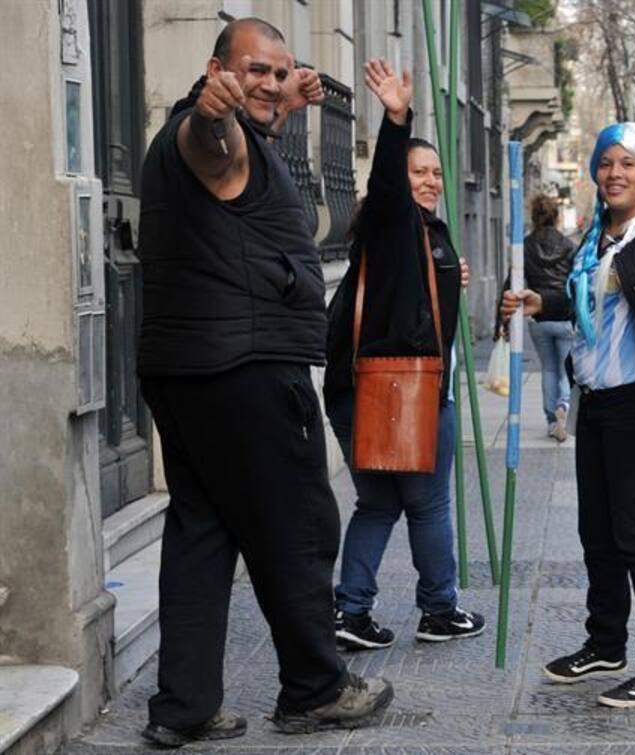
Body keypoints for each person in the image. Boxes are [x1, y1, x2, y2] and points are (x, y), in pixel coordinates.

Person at [136, 18, 392, 747]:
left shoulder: (236, 136)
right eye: (257, 70)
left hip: (183, 368)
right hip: (247, 369)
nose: (273, 83)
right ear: (218, 70)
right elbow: (211, 150)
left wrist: (282, 109)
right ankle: (314, 688)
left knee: (201, 533)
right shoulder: (208, 134)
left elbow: (236, 175)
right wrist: (218, 115)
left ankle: (183, 705)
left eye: (283, 71)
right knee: (299, 528)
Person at [501, 123, 635, 708]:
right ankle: (605, 644)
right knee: (596, 533)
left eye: (628, 164)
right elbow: (594, 297)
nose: (615, 173)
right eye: (606, 164)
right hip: (594, 399)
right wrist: (542, 300)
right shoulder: (600, 234)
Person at [323, 58, 485, 651]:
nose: (431, 181)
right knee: (428, 502)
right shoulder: (394, 219)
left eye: (437, 173)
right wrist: (396, 119)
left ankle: (351, 613)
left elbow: (413, 295)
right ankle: (438, 609)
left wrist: (446, 276)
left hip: (363, 386)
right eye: (420, 171)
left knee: (377, 503)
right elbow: (389, 189)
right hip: (400, 387)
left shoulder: (424, 234)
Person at [524, 194, 576, 441]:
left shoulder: (525, 245)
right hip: (565, 315)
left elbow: (512, 280)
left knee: (548, 369)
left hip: (538, 316)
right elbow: (577, 281)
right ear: (556, 217)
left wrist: (501, 321)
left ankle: (551, 420)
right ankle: (564, 406)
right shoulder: (568, 245)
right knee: (566, 369)